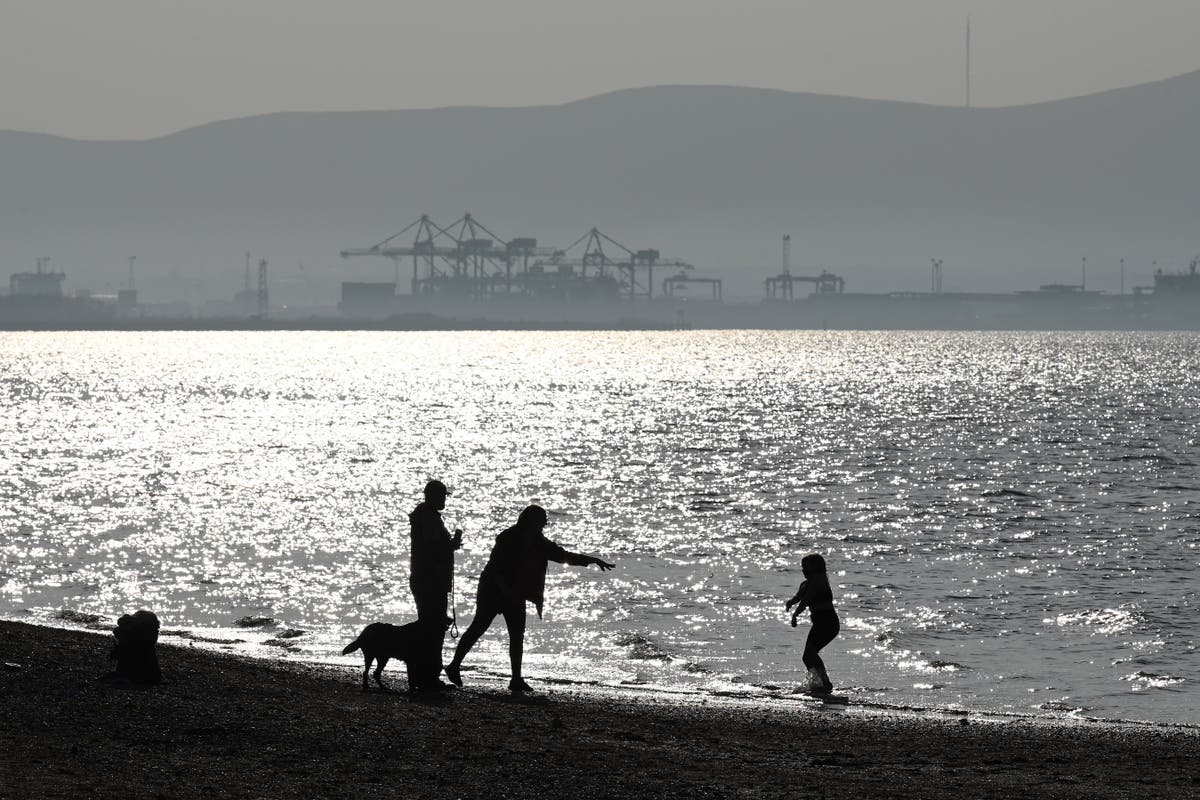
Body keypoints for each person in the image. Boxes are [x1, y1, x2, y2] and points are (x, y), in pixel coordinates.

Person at [443, 504, 614, 693]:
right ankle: (454, 666)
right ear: (530, 521)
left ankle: (516, 679)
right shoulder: (507, 537)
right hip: (492, 589)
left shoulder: (539, 541)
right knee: (478, 627)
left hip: (515, 593)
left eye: (543, 524)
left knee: (517, 635)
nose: (542, 527)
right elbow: (496, 567)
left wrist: (592, 560)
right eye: (541, 523)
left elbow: (563, 556)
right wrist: (505, 590)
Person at [408, 479, 463, 690]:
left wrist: (448, 547)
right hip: (430, 580)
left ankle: (425, 675)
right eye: (442, 496)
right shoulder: (430, 518)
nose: (444, 500)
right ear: (431, 496)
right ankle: (429, 677)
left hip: (423, 578)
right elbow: (432, 549)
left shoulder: (423, 515)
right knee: (433, 628)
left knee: (429, 626)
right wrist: (450, 546)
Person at [785, 553, 840, 695]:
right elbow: (800, 596)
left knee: (810, 653)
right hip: (819, 623)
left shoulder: (819, 579)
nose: (803, 570)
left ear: (815, 567)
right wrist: (791, 602)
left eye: (806, 567)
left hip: (828, 623)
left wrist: (796, 614)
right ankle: (819, 682)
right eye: (802, 567)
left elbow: (807, 599)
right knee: (807, 656)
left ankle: (824, 682)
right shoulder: (806, 583)